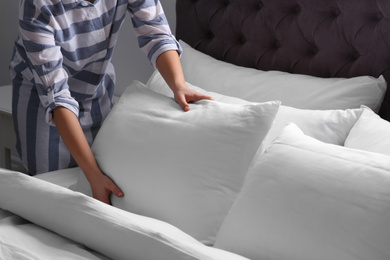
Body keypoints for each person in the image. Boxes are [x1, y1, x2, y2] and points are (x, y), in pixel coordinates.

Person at [9, 0, 212, 204]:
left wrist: (178, 86)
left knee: (104, 178)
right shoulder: (37, 4)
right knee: (51, 195)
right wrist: (93, 175)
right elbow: (57, 97)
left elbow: (156, 33)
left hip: (97, 83)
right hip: (44, 98)